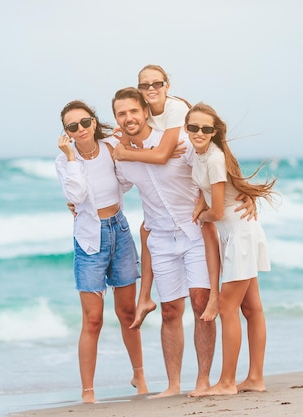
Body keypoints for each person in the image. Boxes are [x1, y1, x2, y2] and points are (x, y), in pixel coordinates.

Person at [112, 64, 254, 330]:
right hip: (163, 231)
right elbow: (114, 179)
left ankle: (212, 297)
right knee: (147, 230)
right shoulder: (144, 121)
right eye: (145, 86)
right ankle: (146, 297)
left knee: (241, 302)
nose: (152, 89)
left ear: (167, 85)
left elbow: (204, 155)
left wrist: (243, 192)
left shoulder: (176, 114)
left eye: (157, 83)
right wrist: (79, 201)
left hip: (198, 227)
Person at [111, 87, 217, 398]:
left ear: (145, 111)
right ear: (116, 118)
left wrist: (234, 198)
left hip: (194, 232)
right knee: (170, 310)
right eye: (121, 114)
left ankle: (203, 381)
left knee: (200, 304)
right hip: (159, 238)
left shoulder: (176, 142)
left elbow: (210, 163)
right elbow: (111, 186)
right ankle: (173, 385)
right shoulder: (121, 157)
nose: (128, 118)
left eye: (133, 111)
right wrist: (77, 201)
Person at [55, 100, 148, 403]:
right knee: (93, 319)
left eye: (84, 123)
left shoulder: (110, 147)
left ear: (93, 122)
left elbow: (128, 181)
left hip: (119, 232)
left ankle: (140, 375)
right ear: (66, 132)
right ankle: (88, 391)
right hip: (89, 241)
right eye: (72, 127)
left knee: (128, 312)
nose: (80, 129)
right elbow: (76, 195)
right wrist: (71, 156)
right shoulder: (64, 161)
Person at [185, 102, 276, 396]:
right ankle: (255, 378)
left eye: (206, 129)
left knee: (227, 307)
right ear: (186, 128)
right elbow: (208, 192)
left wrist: (201, 213)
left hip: (239, 235)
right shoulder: (199, 155)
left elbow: (219, 210)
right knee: (251, 308)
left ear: (214, 132)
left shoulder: (214, 158)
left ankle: (226, 383)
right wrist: (201, 201)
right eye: (193, 127)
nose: (199, 133)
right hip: (235, 235)